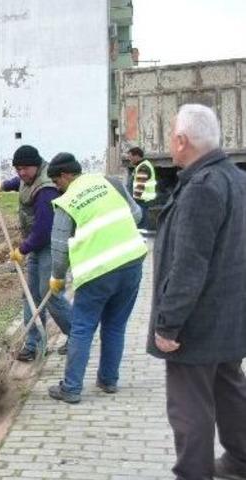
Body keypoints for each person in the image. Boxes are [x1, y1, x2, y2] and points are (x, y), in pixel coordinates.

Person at [146, 104, 246, 480]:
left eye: (172, 135)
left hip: (197, 325)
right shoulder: (236, 179)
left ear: (181, 140)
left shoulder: (202, 188)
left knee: (189, 407)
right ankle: (240, 460)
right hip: (230, 319)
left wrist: (168, 325)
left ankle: (193, 473)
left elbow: (188, 265)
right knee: (229, 389)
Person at [45, 152, 146, 404]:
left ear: (66, 175)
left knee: (82, 328)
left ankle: (71, 388)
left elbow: (59, 249)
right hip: (132, 262)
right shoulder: (110, 182)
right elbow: (136, 215)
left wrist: (57, 278)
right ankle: (108, 380)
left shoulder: (66, 202)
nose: (57, 188)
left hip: (97, 273)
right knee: (115, 325)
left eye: (56, 182)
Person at [0, 145, 71, 361]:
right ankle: (34, 345)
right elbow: (20, 182)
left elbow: (43, 230)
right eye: (18, 169)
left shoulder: (46, 189)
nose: (21, 173)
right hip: (35, 244)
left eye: (25, 169)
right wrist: (2, 186)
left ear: (36, 165)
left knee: (50, 294)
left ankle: (77, 335)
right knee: (30, 295)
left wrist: (22, 250)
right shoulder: (28, 177)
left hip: (49, 245)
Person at [126, 146, 156, 230]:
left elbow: (139, 188)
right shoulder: (141, 166)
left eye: (130, 156)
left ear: (136, 156)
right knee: (142, 227)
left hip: (141, 203)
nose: (129, 159)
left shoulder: (143, 167)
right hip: (142, 203)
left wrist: (132, 203)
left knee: (141, 228)